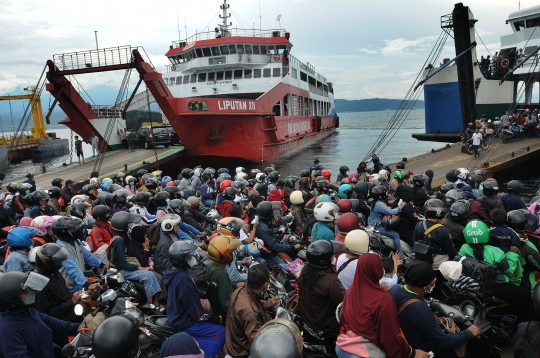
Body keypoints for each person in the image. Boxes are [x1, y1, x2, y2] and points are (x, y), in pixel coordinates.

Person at [336, 254, 426, 358]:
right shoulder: (383, 300)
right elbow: (390, 337)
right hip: (363, 352)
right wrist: (412, 353)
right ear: (377, 269)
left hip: (341, 346)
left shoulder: (351, 291)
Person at [389, 261, 481, 358]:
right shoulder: (422, 311)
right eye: (433, 277)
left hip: (409, 337)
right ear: (425, 284)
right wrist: (470, 332)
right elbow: (444, 342)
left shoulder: (395, 289)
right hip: (426, 350)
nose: (436, 279)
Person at [459, 220, 532, 323]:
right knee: (525, 294)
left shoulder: (463, 248)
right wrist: (511, 254)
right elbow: (508, 271)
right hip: (495, 287)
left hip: (472, 285)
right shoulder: (496, 251)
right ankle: (525, 322)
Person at [164, 241, 226, 358]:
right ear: (181, 260)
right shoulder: (183, 279)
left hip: (175, 312)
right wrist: (213, 318)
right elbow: (196, 313)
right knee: (221, 331)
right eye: (189, 257)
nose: (193, 258)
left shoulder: (174, 271)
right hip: (184, 321)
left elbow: (193, 291)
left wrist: (204, 294)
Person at [0, 271, 83, 358]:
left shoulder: (28, 311)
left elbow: (51, 322)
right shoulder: (8, 330)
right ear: (12, 297)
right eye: (25, 292)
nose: (30, 293)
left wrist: (77, 328)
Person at [295, 240, 344, 348]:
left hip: (308, 322)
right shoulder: (331, 282)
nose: (334, 258)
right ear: (325, 260)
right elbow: (344, 304)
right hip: (325, 328)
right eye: (332, 256)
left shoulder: (306, 271)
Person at [225, 264, 278, 357]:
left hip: (233, 342)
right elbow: (258, 342)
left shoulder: (239, 291)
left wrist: (268, 303)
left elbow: (252, 307)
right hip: (241, 352)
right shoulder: (251, 313)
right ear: (266, 285)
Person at [109, 211, 162, 305]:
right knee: (149, 275)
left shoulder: (124, 237)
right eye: (128, 224)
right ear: (122, 225)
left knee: (152, 274)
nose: (129, 226)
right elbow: (123, 264)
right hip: (121, 271)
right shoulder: (119, 241)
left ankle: (155, 302)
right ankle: (150, 305)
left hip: (128, 266)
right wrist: (142, 268)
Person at [35, 243, 82, 324]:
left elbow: (62, 294)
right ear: (47, 262)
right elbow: (46, 314)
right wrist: (70, 303)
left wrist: (75, 296)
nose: (60, 264)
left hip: (70, 314)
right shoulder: (39, 284)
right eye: (57, 262)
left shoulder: (55, 273)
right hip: (60, 324)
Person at [54, 216, 103, 293]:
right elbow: (72, 268)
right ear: (65, 233)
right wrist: (87, 284)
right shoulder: (60, 249)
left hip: (80, 283)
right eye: (73, 229)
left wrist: (101, 264)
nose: (77, 230)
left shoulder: (76, 242)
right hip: (70, 287)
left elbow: (88, 256)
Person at [255, 201, 301, 271]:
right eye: (272, 211)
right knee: (291, 270)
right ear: (267, 213)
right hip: (270, 255)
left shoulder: (264, 224)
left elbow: (270, 236)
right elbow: (275, 246)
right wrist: (293, 247)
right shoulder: (263, 228)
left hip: (271, 250)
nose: (273, 213)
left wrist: (282, 236)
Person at [413, 199, 456, 269]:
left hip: (422, 259)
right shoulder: (444, 230)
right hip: (437, 263)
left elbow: (414, 242)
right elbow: (450, 251)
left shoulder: (418, 225)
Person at [207, 235, 242, 316]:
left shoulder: (212, 264)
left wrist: (235, 285)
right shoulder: (222, 274)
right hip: (225, 314)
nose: (232, 255)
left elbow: (220, 285)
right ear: (224, 256)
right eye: (230, 253)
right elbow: (226, 305)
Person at [368, 185, 405, 252]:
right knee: (396, 235)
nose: (387, 193)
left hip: (373, 224)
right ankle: (401, 255)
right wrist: (400, 207)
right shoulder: (379, 204)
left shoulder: (374, 201)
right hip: (378, 226)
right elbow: (391, 212)